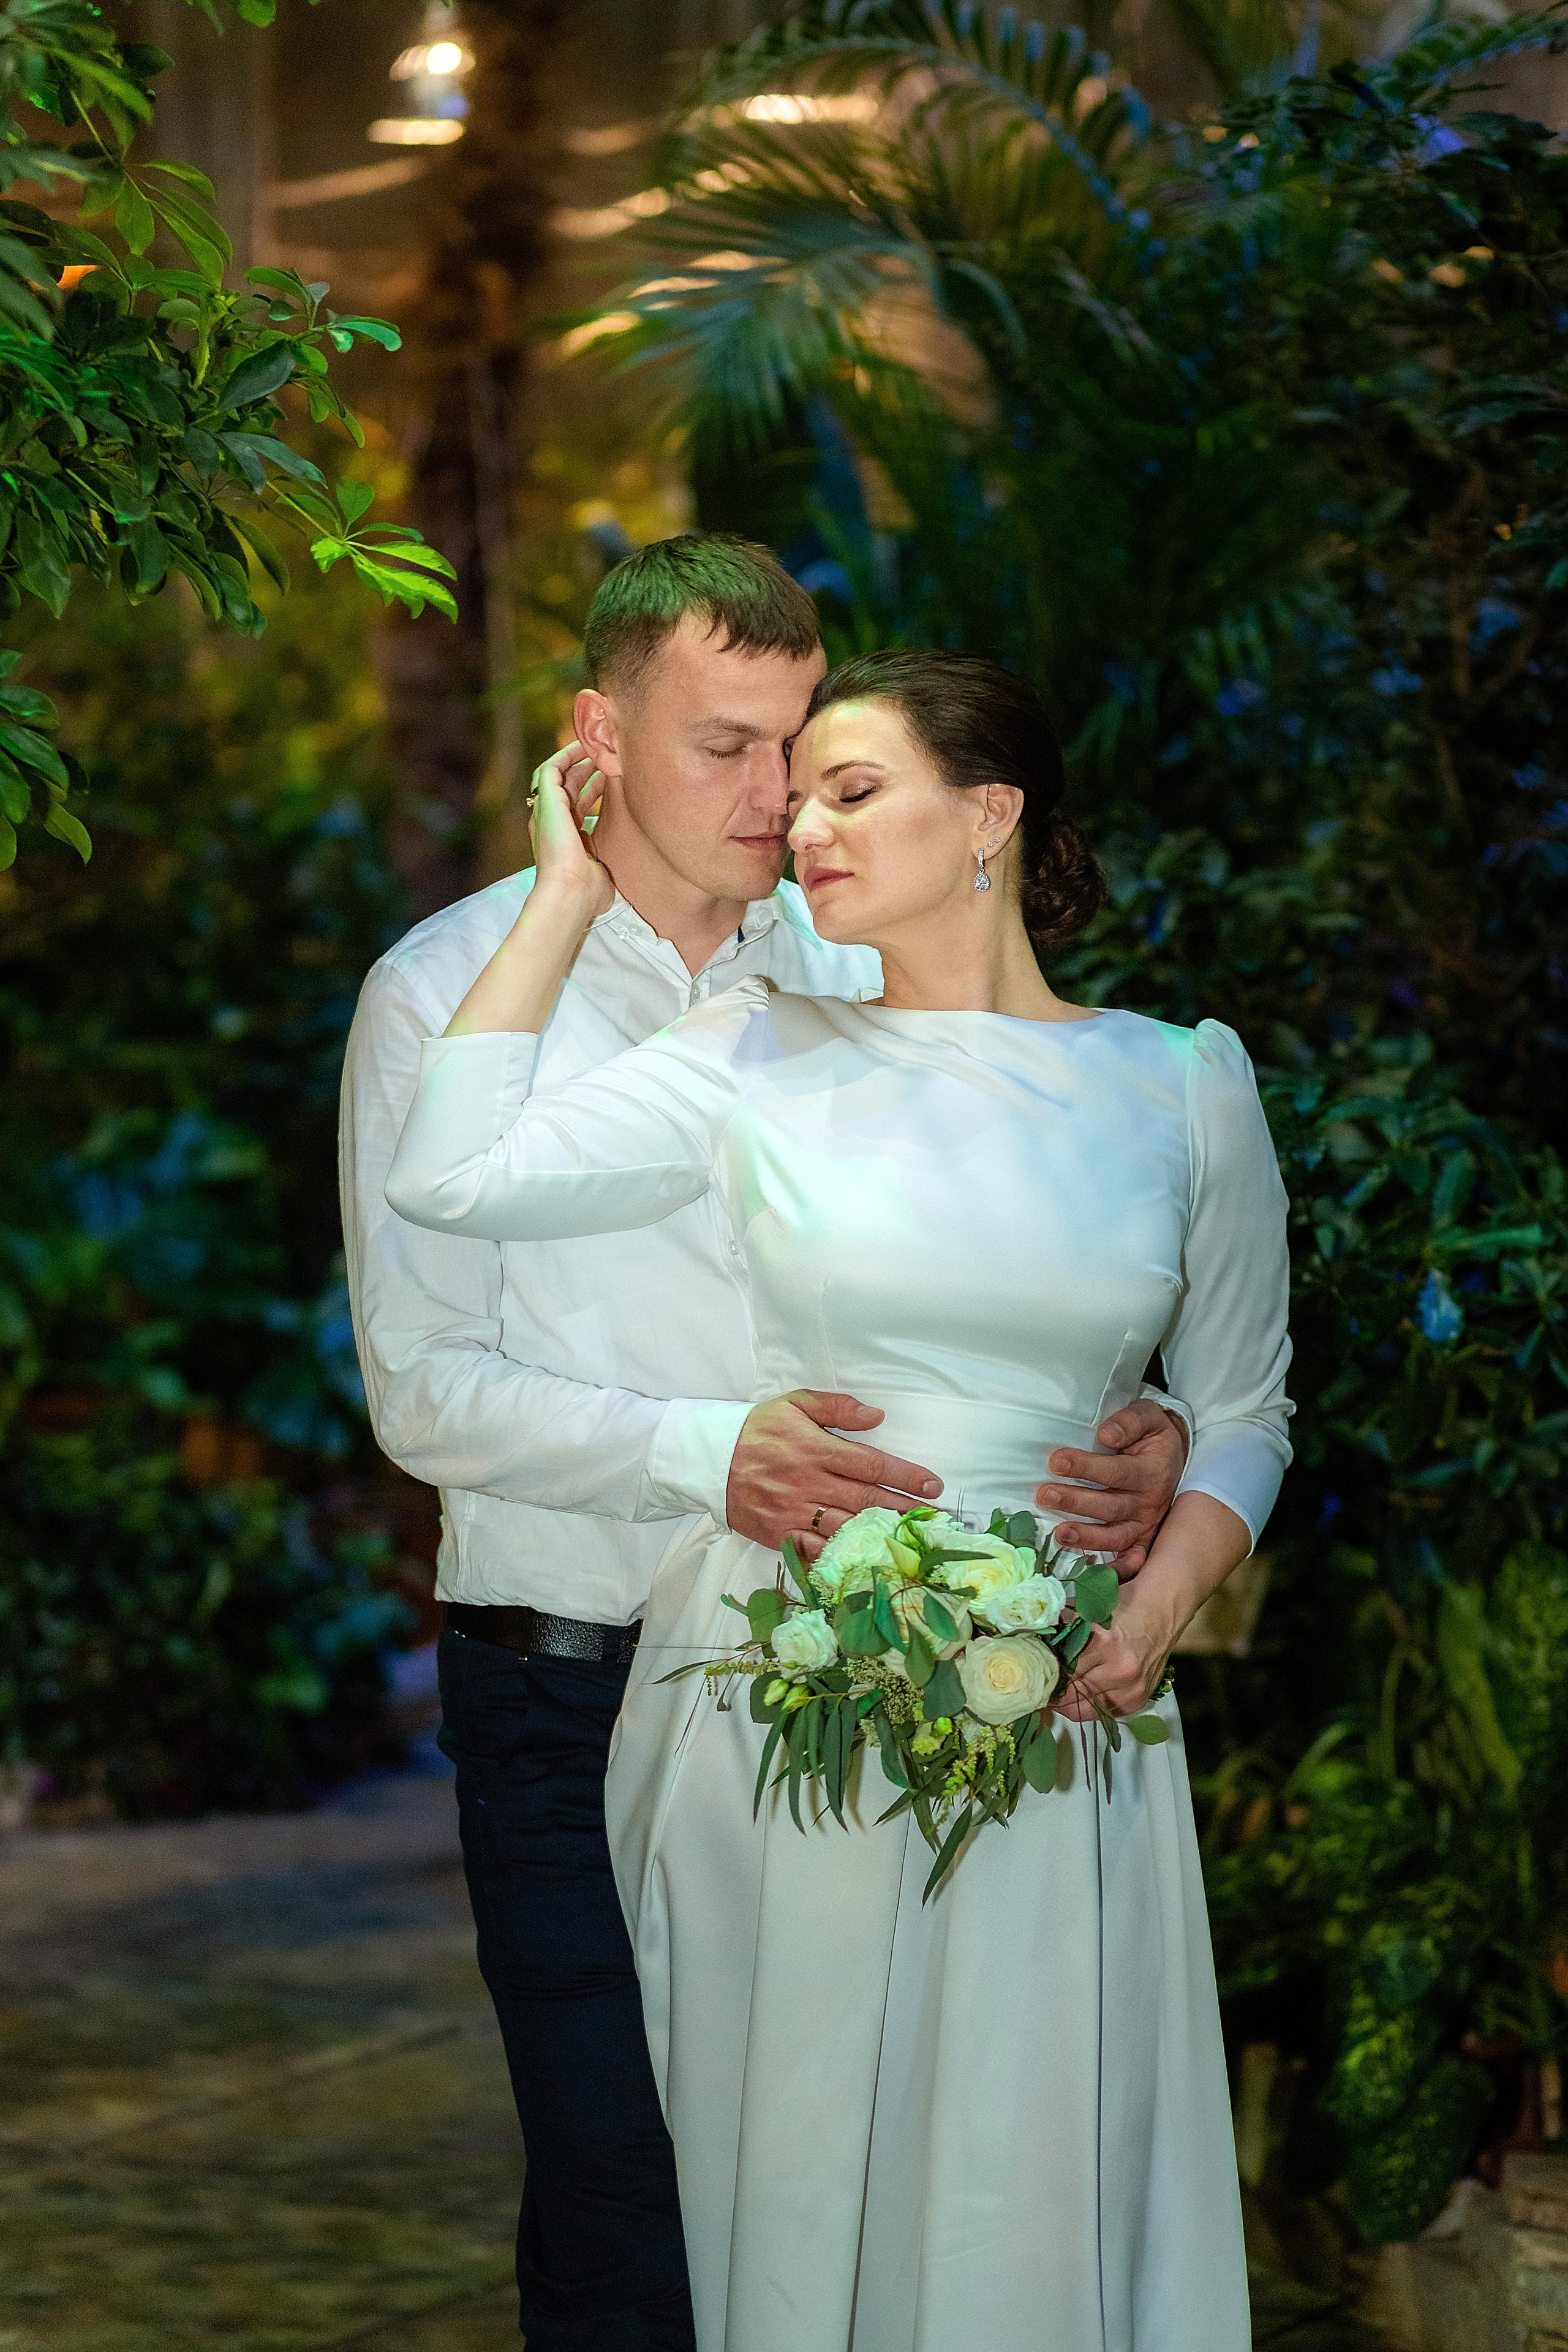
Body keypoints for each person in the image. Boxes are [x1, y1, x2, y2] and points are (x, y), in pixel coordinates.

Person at [385, 644, 1293, 2352]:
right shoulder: (756, 1052)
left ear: (992, 818)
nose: (802, 825)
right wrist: (564, 898)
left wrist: (1154, 1610)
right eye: (798, 796)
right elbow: (453, 1176)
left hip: (1062, 1704)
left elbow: (1248, 1407)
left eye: (852, 791)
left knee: (1027, 2175)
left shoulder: (1183, 1082)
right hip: (772, 1689)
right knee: (775, 2183)